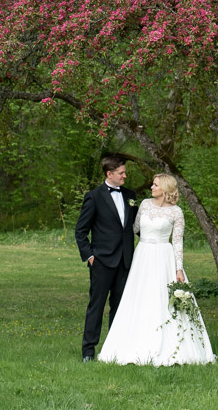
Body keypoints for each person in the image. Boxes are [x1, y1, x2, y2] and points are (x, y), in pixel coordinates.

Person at [97, 173, 216, 366]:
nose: (151, 187)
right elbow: (134, 228)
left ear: (165, 189)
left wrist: (179, 269)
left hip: (164, 256)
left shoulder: (176, 212)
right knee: (139, 296)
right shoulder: (144, 204)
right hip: (143, 256)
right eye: (152, 184)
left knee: (161, 298)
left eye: (155, 185)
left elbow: (177, 242)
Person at [75, 155, 138, 362]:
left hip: (125, 261)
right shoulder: (94, 197)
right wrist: (90, 256)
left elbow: (137, 227)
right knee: (97, 305)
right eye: (121, 173)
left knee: (120, 306)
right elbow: (80, 231)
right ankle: (88, 351)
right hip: (102, 261)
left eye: (125, 172)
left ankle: (114, 349)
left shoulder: (131, 195)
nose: (125, 176)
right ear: (109, 174)